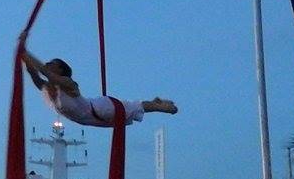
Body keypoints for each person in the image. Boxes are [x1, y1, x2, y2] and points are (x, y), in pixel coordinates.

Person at [20, 45, 177, 127]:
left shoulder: (68, 84)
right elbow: (34, 74)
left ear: (61, 70)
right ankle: (155, 103)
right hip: (89, 120)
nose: (47, 64)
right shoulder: (48, 89)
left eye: (51, 63)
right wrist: (23, 57)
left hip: (100, 109)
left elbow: (44, 72)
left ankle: (159, 106)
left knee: (134, 107)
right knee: (130, 113)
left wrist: (27, 54)